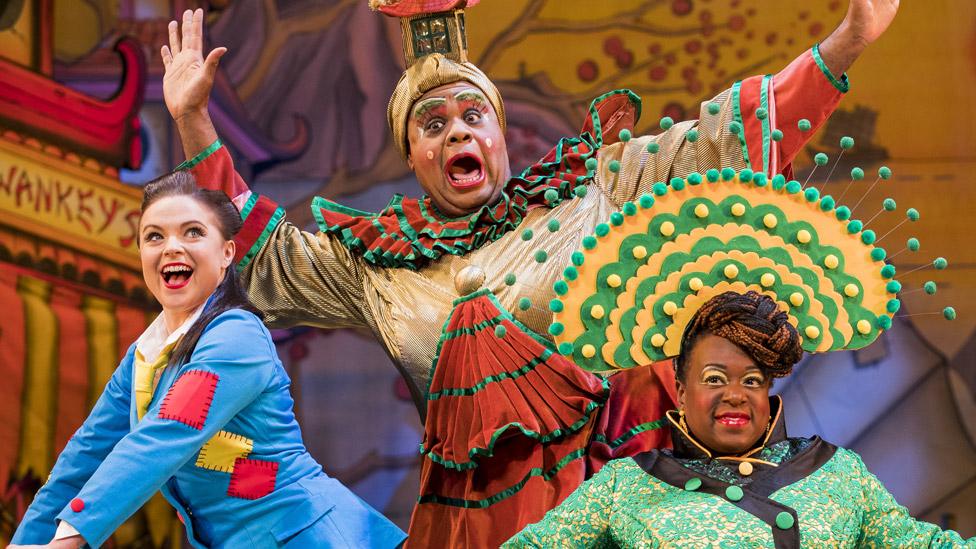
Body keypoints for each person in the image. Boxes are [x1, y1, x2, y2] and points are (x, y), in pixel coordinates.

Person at [158, 1, 900, 545]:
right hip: (472, 524)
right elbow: (264, 257)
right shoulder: (377, 264)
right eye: (433, 121)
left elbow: (721, 142)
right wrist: (194, 120)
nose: (456, 130)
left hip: (612, 505)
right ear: (412, 154)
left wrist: (842, 47)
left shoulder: (589, 189)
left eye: (471, 114)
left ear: (500, 132)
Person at [8, 172, 406, 548]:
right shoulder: (145, 355)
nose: (172, 247)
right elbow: (84, 459)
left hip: (318, 536)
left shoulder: (238, 336)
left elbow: (167, 434)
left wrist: (68, 537)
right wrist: (25, 541)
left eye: (193, 232)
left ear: (226, 253)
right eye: (154, 236)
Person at [504, 291, 975, 548]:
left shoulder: (837, 472)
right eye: (714, 378)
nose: (735, 395)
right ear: (682, 392)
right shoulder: (626, 484)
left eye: (752, 381)